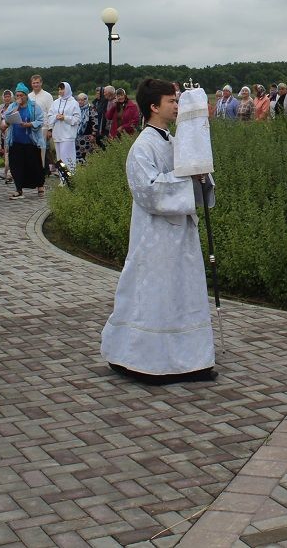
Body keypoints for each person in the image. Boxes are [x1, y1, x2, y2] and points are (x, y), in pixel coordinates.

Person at [101, 77, 216, 384]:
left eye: (178, 101)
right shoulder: (142, 147)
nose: (177, 106)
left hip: (182, 234)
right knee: (156, 294)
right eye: (172, 102)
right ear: (154, 107)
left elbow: (193, 176)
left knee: (183, 293)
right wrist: (189, 183)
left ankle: (192, 360)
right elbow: (150, 192)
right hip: (155, 237)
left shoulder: (174, 141)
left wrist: (202, 175)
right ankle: (145, 360)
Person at [4, 83, 45, 198]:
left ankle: (40, 186)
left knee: (34, 165)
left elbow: (40, 120)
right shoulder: (13, 106)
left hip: (30, 141)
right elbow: (6, 118)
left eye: (21, 95)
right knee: (16, 166)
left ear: (26, 95)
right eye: (17, 95)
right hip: (16, 141)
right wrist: (16, 107)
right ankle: (18, 189)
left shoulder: (34, 106)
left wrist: (29, 124)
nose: (19, 97)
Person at [28, 75, 55, 195]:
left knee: (42, 154)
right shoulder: (29, 96)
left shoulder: (47, 96)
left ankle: (42, 179)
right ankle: (33, 175)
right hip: (32, 128)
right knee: (33, 153)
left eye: (37, 83)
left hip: (43, 128)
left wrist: (50, 129)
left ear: (41, 83)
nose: (35, 85)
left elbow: (51, 112)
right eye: (34, 83)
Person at [49, 81, 82, 180]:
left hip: (68, 134)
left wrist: (65, 118)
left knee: (67, 157)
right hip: (57, 134)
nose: (60, 91)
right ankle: (63, 178)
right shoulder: (55, 102)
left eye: (62, 89)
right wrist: (56, 117)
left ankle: (70, 178)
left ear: (67, 89)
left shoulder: (74, 103)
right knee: (59, 158)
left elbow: (77, 119)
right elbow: (49, 116)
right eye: (59, 89)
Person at [0, 89, 15, 182]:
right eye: (5, 96)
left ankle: (10, 173)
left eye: (8, 96)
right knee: (4, 152)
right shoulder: (0, 107)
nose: (7, 98)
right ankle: (6, 171)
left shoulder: (14, 106)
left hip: (11, 131)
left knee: (10, 152)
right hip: (2, 132)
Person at [75, 91, 96, 164]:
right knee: (77, 156)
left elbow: (95, 122)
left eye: (83, 100)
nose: (80, 101)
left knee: (86, 157)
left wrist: (93, 134)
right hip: (77, 137)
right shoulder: (76, 109)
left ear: (86, 100)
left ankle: (87, 172)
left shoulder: (91, 109)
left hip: (87, 137)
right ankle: (79, 172)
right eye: (79, 100)